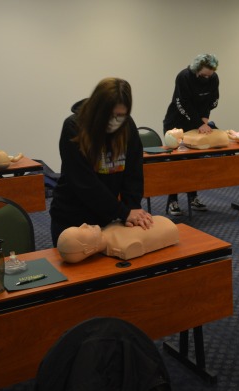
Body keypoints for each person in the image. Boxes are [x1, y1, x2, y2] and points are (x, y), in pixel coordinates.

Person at [49, 78, 153, 246]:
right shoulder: (74, 127)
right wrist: (123, 212)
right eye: (109, 115)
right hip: (72, 219)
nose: (114, 122)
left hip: (108, 218)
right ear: (98, 110)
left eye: (120, 115)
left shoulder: (127, 127)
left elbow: (133, 173)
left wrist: (131, 208)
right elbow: (84, 183)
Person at [162, 53, 220, 216]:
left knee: (193, 162)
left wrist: (205, 119)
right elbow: (182, 104)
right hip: (176, 123)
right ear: (196, 70)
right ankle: (173, 201)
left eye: (210, 75)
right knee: (177, 162)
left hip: (199, 121)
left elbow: (213, 99)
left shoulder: (213, 78)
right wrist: (199, 123)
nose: (207, 78)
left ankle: (193, 197)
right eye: (203, 75)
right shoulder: (184, 77)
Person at [56, 216, 179, 263]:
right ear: (87, 250)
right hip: (167, 227)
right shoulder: (124, 247)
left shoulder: (105, 228)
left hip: (158, 221)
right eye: (82, 232)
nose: (84, 224)